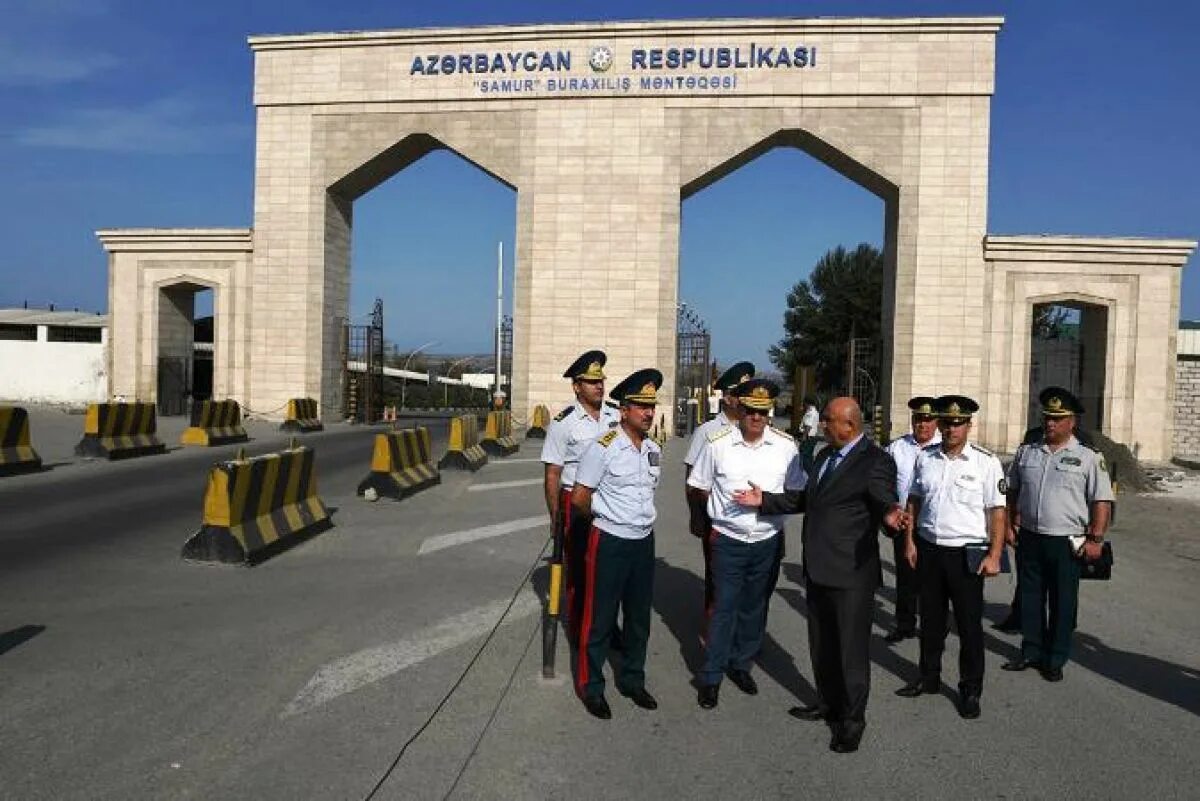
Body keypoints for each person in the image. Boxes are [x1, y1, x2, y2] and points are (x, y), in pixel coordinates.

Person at [734, 397, 905, 754]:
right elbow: (809, 499)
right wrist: (764, 500)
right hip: (818, 567)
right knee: (822, 645)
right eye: (825, 419)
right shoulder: (827, 456)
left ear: (850, 425)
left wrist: (890, 517)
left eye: (828, 420)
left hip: (851, 574)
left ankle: (851, 721)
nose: (822, 425)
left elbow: (881, 498)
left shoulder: (876, 461)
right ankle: (827, 703)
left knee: (850, 652)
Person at [686, 379, 807, 709]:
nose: (756, 418)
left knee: (754, 607)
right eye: (750, 411)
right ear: (739, 409)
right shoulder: (717, 443)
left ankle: (741, 664)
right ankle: (711, 676)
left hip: (766, 540)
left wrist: (764, 501)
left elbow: (799, 495)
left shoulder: (786, 447)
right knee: (724, 606)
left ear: (769, 413)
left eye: (762, 412)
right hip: (728, 539)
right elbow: (699, 485)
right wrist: (712, 516)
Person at [895, 395, 1006, 720]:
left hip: (966, 554)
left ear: (969, 425)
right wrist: (910, 542)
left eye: (958, 423)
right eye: (946, 423)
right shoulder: (926, 457)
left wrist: (995, 554)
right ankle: (928, 677)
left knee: (969, 626)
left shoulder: (986, 462)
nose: (951, 428)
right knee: (930, 621)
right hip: (929, 549)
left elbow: (997, 512)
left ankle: (970, 689)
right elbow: (914, 500)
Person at [1001, 387, 1113, 682]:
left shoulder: (1088, 457)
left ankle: (1055, 657)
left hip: (1067, 540)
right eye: (1047, 417)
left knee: (1063, 600)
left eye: (1057, 418)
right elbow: (1012, 488)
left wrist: (1096, 539)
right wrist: (1011, 521)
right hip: (1030, 536)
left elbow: (1101, 500)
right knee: (1030, 596)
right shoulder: (1028, 451)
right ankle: (1031, 650)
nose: (1050, 423)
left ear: (1071, 422)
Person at [571, 368, 663, 719]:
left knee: (639, 619)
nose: (649, 413)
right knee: (600, 619)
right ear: (624, 410)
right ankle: (591, 687)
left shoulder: (654, 449)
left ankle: (632, 679)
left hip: (643, 542)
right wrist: (605, 518)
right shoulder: (603, 447)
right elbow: (581, 497)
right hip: (610, 540)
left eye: (651, 406)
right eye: (641, 406)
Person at [540, 350, 620, 644]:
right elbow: (552, 474)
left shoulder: (616, 415)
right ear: (577, 386)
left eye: (600, 381)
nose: (599, 386)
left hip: (611, 501)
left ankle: (608, 626)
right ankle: (579, 628)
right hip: (576, 500)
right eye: (590, 382)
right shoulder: (564, 422)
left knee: (610, 569)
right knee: (579, 569)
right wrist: (555, 517)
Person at [684, 361, 755, 636]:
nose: (745, 399)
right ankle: (715, 634)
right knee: (719, 580)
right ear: (727, 397)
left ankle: (744, 635)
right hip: (718, 519)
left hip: (753, 519)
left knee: (750, 583)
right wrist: (696, 516)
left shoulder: (756, 427)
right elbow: (692, 478)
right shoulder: (707, 432)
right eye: (740, 392)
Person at [882, 397, 942, 644]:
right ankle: (904, 624)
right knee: (905, 578)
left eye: (928, 420)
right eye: (918, 419)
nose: (923, 425)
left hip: (931, 524)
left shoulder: (944, 447)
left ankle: (932, 626)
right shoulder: (897, 448)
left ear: (936, 422)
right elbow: (883, 482)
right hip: (903, 521)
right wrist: (891, 509)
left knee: (932, 580)